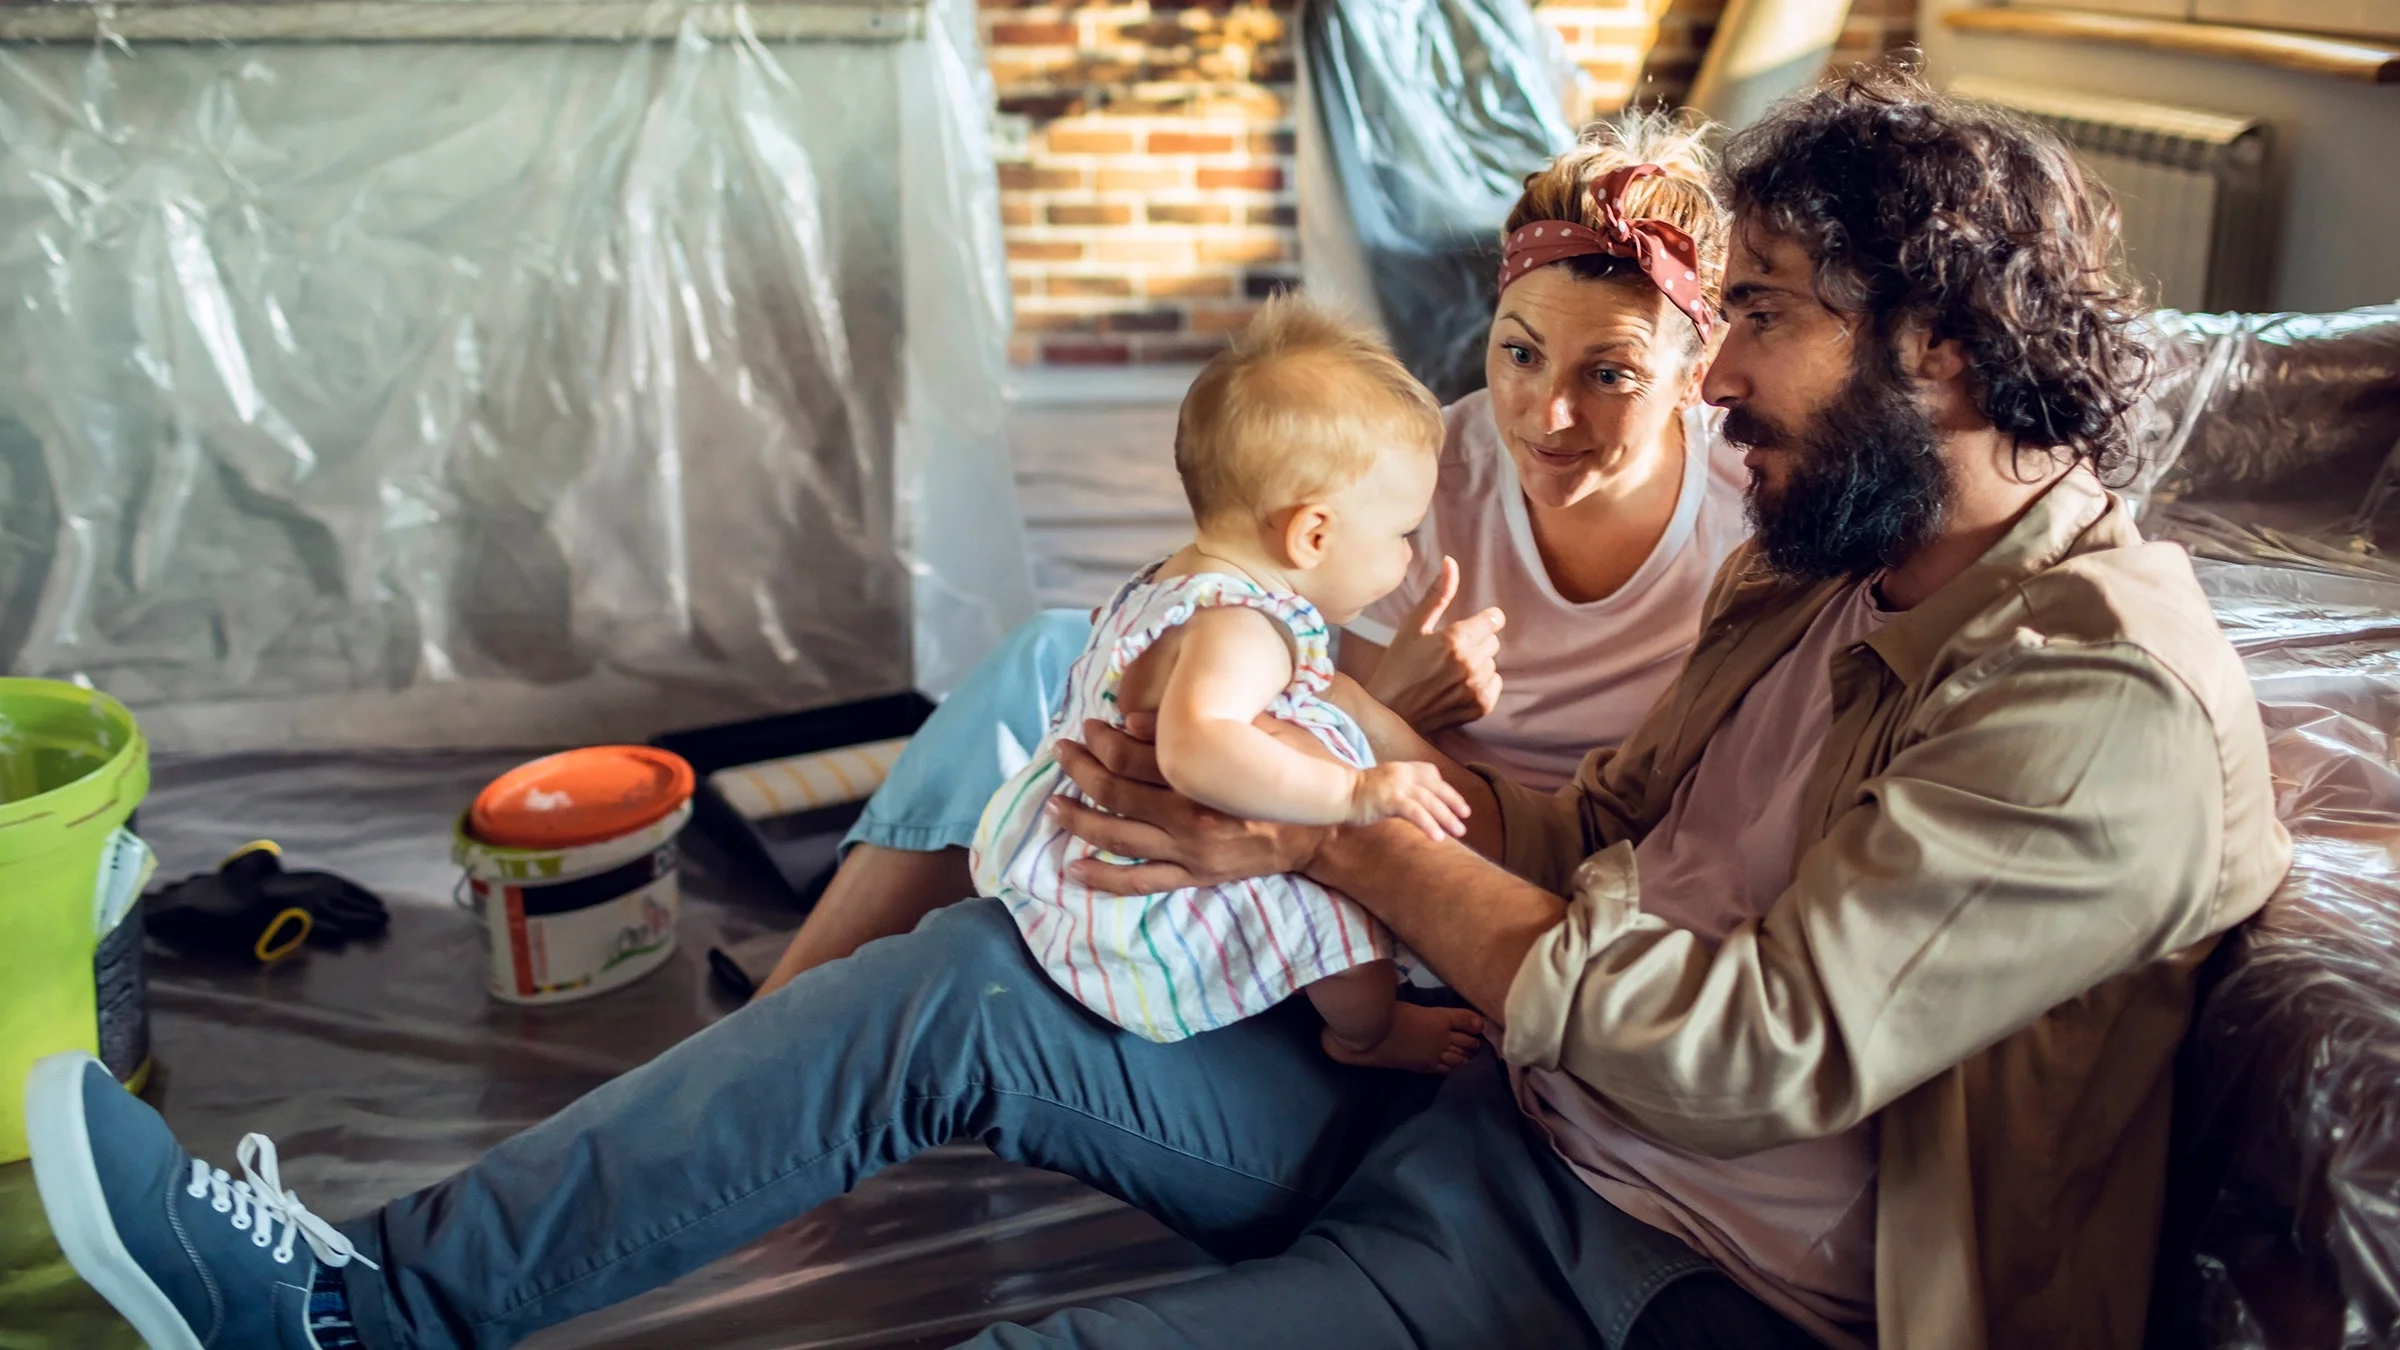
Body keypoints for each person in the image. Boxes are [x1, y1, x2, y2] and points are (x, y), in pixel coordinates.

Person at [23, 66, 2290, 1350]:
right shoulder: (1823, 577)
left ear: (1955, 352)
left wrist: (1316, 831)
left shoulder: (2086, 694)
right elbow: (1580, 832)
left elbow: (1733, 1041)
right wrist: (1298, 784)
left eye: (1757, 322)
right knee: (949, 977)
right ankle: (358, 1307)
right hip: (1474, 1114)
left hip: (1683, 1279)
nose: (1696, 384)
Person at [758, 114, 1749, 994]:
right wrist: (1398, 697)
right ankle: (789, 1015)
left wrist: (1383, 725)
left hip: (1519, 884)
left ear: (1698, 374)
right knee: (1051, 657)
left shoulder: (1755, 515)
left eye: (1610, 373)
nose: (1546, 415)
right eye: (1519, 353)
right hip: (1387, 802)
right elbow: (1282, 704)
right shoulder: (1420, 478)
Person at [973, 296, 1483, 1069]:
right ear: (1313, 534)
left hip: (1089, 843)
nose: (1407, 557)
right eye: (1401, 535)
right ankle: (1366, 1037)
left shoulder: (1176, 579)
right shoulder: (1248, 624)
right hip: (1158, 889)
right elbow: (1197, 750)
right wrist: (1354, 796)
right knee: (1342, 928)